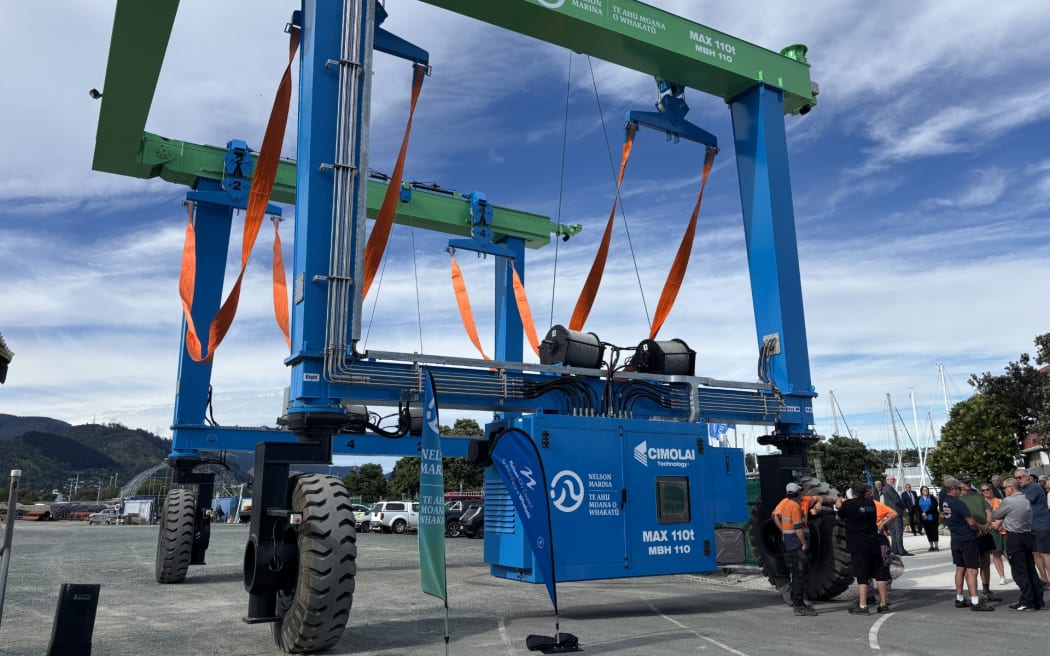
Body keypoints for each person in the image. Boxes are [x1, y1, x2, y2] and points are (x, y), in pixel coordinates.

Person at [990, 477, 1044, 611]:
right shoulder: (1025, 499)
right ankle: (1037, 600)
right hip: (1027, 536)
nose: (1004, 490)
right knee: (1030, 569)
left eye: (1005, 488)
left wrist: (1001, 514)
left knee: (1019, 570)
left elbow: (996, 513)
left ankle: (1027, 601)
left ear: (1011, 488)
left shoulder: (1009, 501)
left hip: (1014, 537)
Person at [835, 482, 890, 614]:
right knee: (880, 574)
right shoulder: (871, 503)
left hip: (858, 544)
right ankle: (883, 604)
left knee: (862, 575)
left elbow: (838, 518)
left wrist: (839, 507)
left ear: (853, 492)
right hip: (874, 542)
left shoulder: (849, 504)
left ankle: (863, 605)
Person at [941, 477, 994, 611]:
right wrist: (981, 528)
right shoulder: (958, 503)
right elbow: (970, 522)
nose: (961, 490)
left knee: (960, 569)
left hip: (956, 539)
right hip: (967, 539)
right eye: (958, 488)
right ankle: (975, 601)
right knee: (972, 570)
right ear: (953, 489)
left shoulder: (945, 502)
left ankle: (959, 598)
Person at [771, 482, 817, 616]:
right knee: (800, 574)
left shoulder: (785, 504)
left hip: (790, 543)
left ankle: (799, 603)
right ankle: (799, 605)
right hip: (797, 543)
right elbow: (798, 528)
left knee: (797, 573)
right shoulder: (795, 506)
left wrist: (784, 532)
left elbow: (776, 516)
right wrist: (804, 543)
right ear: (798, 493)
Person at [958, 474, 1001, 602]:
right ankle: (973, 593)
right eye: (965, 482)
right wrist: (978, 528)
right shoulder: (958, 499)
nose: (968, 484)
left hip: (984, 532)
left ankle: (986, 590)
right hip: (971, 534)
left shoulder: (977, 495)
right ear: (959, 483)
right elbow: (962, 518)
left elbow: (988, 510)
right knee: (970, 566)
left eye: (969, 481)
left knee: (986, 561)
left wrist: (987, 525)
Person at [1014, 469, 1050, 585]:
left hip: (1041, 524)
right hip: (1030, 525)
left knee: (1045, 553)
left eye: (1020, 477)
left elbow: (1024, 502)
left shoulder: (1034, 487)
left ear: (1028, 477)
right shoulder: (1022, 489)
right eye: (1016, 478)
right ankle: (1044, 579)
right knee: (1035, 553)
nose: (1018, 480)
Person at [981, 483, 1009, 586]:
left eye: (987, 489)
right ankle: (1002, 576)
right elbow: (982, 517)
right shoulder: (982, 503)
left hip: (1002, 528)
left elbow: (1006, 514)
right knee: (996, 553)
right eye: (983, 490)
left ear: (991, 490)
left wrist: (999, 522)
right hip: (991, 530)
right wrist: (992, 525)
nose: (986, 492)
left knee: (1008, 552)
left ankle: (1016, 572)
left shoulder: (1000, 501)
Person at [881, 475, 910, 556]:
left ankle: (895, 549)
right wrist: (904, 507)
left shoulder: (885, 488)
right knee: (898, 532)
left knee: (893, 532)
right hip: (896, 512)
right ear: (888, 480)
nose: (894, 481)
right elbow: (897, 500)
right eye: (893, 479)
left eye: (894, 479)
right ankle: (901, 550)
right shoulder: (889, 488)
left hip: (890, 512)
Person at [917, 485, 940, 551]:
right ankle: (931, 546)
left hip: (932, 517)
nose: (926, 491)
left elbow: (934, 506)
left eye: (927, 490)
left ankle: (936, 546)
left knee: (934, 531)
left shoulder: (932, 498)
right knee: (928, 532)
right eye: (924, 490)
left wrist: (926, 513)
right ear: (921, 491)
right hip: (924, 518)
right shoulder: (919, 499)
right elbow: (917, 507)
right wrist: (922, 513)